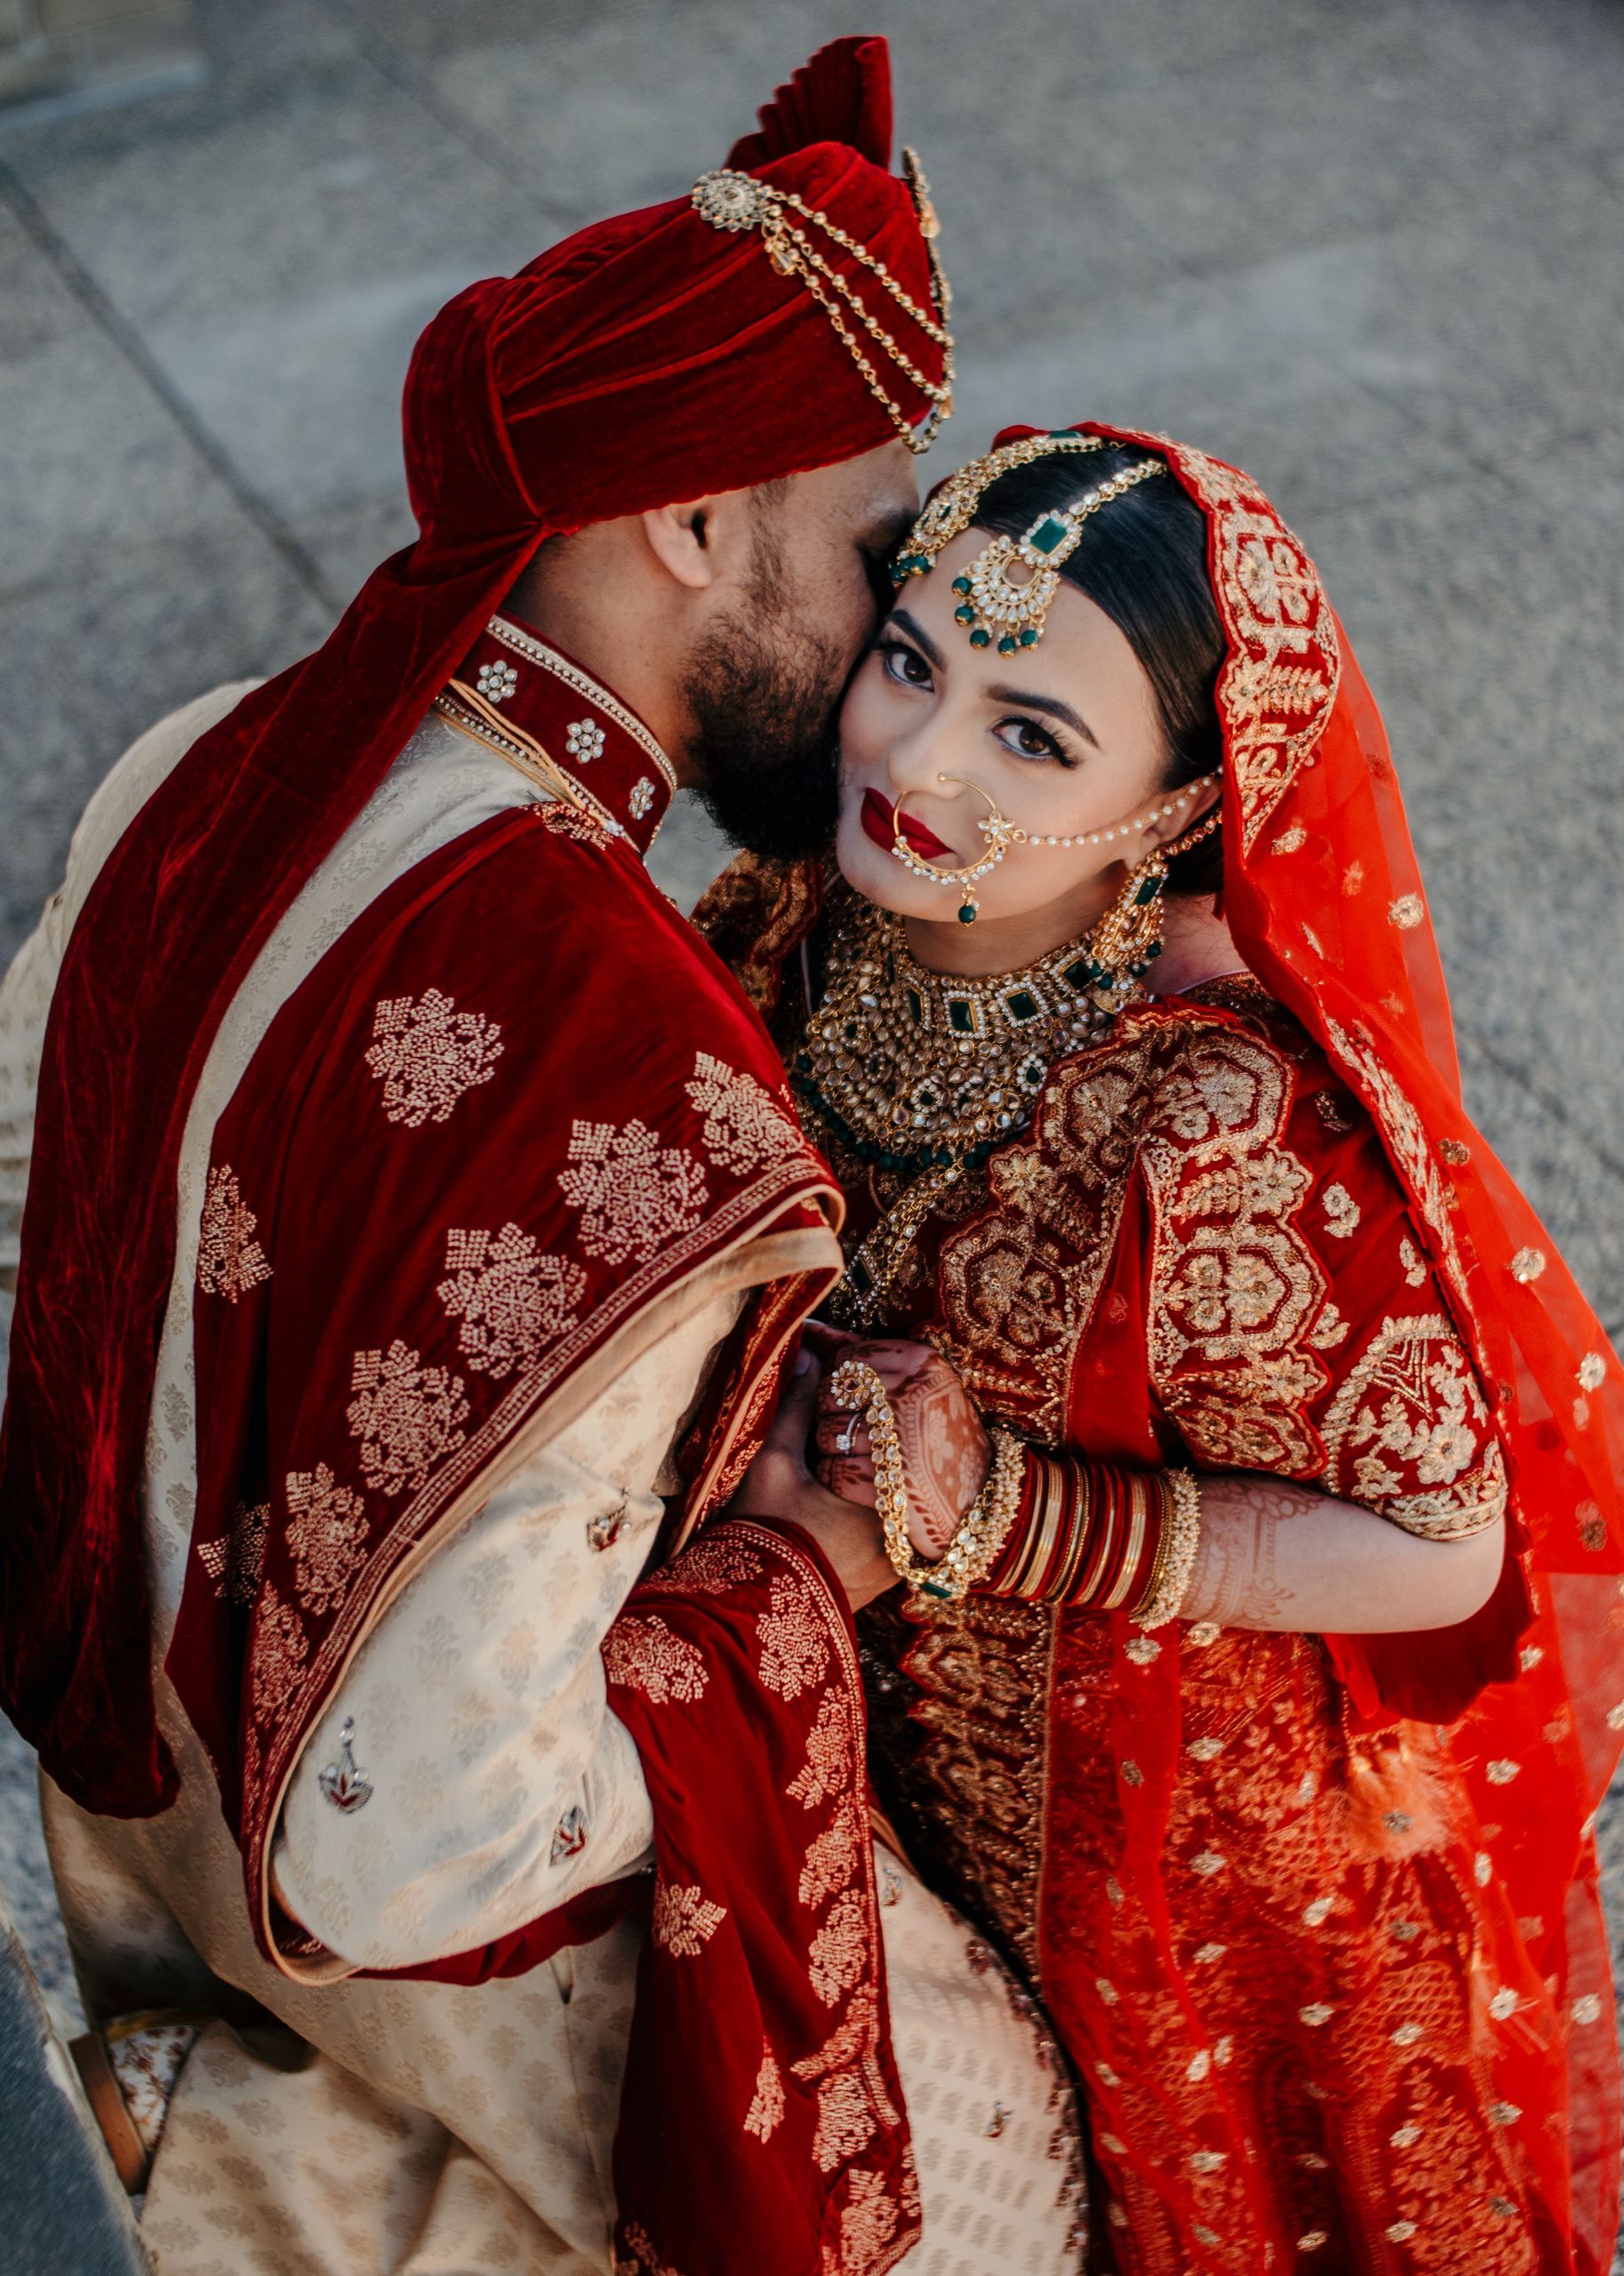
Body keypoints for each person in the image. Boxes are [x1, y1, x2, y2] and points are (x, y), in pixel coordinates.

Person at [0, 45, 1090, 2276]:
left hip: (139, 1881)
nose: (904, 638)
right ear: (694, 529)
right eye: (876, 548)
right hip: (418, 2055)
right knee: (1031, 2159)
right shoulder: (645, 1089)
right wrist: (808, 1573)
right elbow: (422, 1846)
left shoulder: (205, 765)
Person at [694, 424, 1624, 2274]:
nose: (915, 758)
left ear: (1176, 810)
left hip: (1173, 1849)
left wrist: (1009, 1512)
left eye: (1034, 734)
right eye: (912, 660)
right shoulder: (815, 910)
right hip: (871, 1736)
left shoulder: (1220, 1111)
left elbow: (1444, 1541)